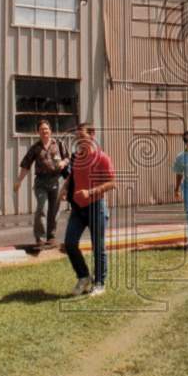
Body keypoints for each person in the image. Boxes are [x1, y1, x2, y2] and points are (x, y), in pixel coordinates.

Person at [61, 123, 116, 296]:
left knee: (98, 247)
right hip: (78, 208)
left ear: (92, 135)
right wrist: (64, 188)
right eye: (77, 137)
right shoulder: (77, 156)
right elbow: (72, 175)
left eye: (81, 136)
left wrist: (90, 192)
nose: (79, 140)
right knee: (70, 243)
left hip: (95, 207)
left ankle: (99, 283)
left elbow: (112, 183)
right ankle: (84, 277)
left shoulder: (102, 158)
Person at [13, 120, 69, 249]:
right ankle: (40, 239)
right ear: (38, 132)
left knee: (54, 211)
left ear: (51, 131)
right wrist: (19, 181)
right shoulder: (35, 148)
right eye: (42, 129)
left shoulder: (59, 144)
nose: (45, 131)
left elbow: (68, 158)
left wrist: (63, 163)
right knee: (42, 208)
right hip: (41, 182)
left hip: (56, 181)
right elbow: (26, 165)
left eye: (46, 129)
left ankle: (51, 237)